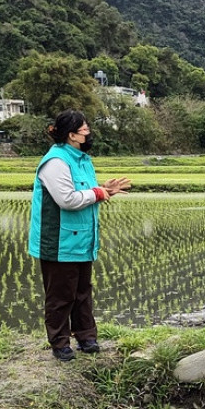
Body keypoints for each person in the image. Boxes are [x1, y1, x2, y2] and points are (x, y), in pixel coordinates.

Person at [28, 110, 130, 361]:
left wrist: (105, 190)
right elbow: (67, 199)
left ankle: (86, 337)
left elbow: (86, 192)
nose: (89, 133)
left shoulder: (82, 159)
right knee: (61, 294)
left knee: (82, 291)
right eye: (84, 130)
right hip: (58, 241)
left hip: (82, 238)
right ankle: (60, 342)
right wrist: (98, 193)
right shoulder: (56, 162)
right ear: (72, 135)